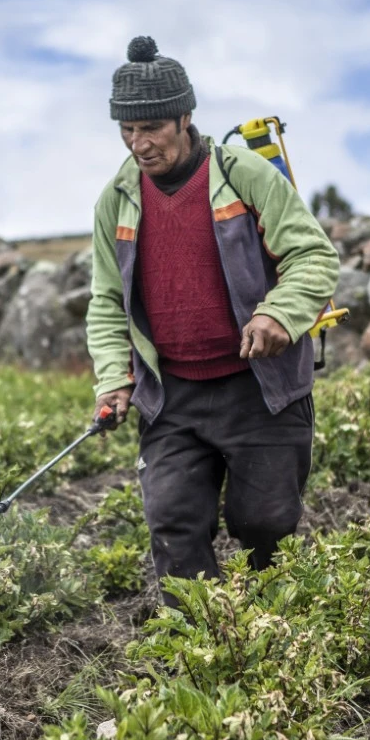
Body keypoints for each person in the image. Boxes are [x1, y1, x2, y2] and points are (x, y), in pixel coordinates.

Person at [87, 35, 340, 597]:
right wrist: (115, 378)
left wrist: (278, 315)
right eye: (127, 129)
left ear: (184, 117)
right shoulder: (116, 200)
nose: (138, 143)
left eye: (150, 127)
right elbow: (107, 303)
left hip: (259, 387)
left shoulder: (243, 174)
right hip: (173, 396)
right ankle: (200, 644)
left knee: (265, 525)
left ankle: (276, 640)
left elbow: (314, 256)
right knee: (173, 524)